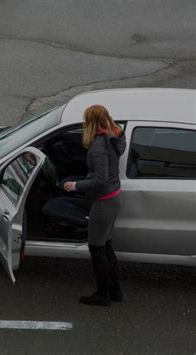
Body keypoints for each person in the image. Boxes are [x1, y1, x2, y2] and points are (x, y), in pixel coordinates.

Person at [63, 105, 126, 306]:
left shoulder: (99, 146)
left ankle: (102, 294)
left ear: (90, 122)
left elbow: (100, 179)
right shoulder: (115, 135)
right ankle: (115, 291)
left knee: (96, 249)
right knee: (106, 246)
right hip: (114, 198)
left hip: (104, 202)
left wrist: (75, 186)